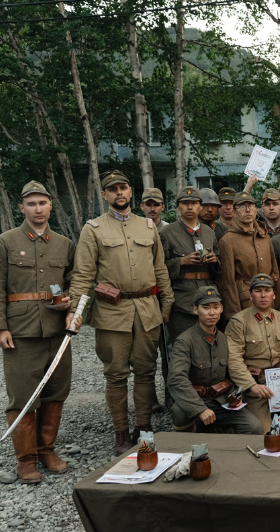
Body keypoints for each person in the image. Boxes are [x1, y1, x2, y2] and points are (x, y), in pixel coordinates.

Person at [68, 170, 174, 454]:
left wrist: (166, 303)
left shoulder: (148, 227)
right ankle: (121, 432)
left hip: (146, 310)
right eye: (112, 189)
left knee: (146, 370)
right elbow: (82, 274)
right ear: (104, 194)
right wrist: (75, 310)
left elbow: (160, 268)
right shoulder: (93, 229)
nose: (119, 193)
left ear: (130, 191)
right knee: (115, 374)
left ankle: (143, 427)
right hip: (111, 312)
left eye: (123, 187)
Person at [0, 181, 75, 483]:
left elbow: (75, 281)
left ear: (51, 205)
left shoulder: (64, 244)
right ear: (21, 208)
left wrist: (73, 307)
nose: (38, 209)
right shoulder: (6, 241)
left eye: (43, 203)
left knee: (56, 392)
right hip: (20, 332)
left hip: (57, 331)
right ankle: (26, 460)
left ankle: (47, 450)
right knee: (23, 396)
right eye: (32, 204)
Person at [225, 274, 280, 434]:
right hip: (256, 383)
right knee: (263, 433)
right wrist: (251, 386)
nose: (263, 295)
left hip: (279, 379)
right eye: (258, 291)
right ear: (251, 296)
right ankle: (266, 413)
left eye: (267, 290)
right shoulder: (239, 321)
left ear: (274, 295)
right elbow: (234, 359)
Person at [167, 286, 263, 434]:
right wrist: (199, 409)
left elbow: (230, 373)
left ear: (221, 309)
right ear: (195, 309)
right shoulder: (185, 341)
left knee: (254, 427)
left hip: (221, 401)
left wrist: (235, 395)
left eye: (216, 307)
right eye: (206, 308)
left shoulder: (223, 339)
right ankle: (189, 439)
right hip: (196, 400)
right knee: (180, 412)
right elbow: (176, 379)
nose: (212, 313)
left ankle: (216, 432)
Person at [160, 186, 221, 348]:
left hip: (207, 296)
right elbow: (158, 268)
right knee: (181, 345)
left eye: (193, 203)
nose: (189, 207)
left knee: (206, 345)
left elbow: (219, 263)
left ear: (200, 206)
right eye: (185, 203)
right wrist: (181, 262)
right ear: (178, 207)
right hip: (182, 300)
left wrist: (214, 260)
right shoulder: (167, 232)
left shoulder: (208, 232)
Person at [217, 191, 280, 321]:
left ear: (256, 209)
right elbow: (227, 282)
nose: (247, 210)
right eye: (242, 207)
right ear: (234, 212)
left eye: (251, 206)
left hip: (268, 299)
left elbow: (275, 272)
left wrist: (278, 303)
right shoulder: (227, 240)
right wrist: (233, 315)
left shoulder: (264, 236)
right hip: (245, 302)